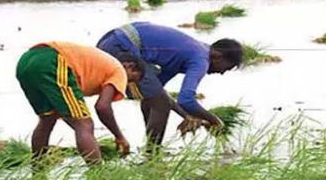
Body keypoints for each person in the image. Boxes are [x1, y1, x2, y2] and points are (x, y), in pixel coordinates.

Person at [96, 22, 243, 146]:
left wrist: (187, 116)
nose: (222, 72)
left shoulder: (192, 51)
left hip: (111, 40)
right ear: (217, 56)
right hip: (120, 48)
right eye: (226, 67)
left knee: (153, 98)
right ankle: (153, 154)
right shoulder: (201, 60)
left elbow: (157, 93)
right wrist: (215, 121)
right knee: (160, 104)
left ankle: (152, 150)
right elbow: (186, 100)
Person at [16, 41, 144, 163]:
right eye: (132, 79)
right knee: (84, 124)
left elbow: (67, 110)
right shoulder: (119, 70)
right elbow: (102, 107)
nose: (127, 84)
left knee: (47, 119)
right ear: (129, 67)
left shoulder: (104, 64)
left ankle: (38, 173)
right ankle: (97, 175)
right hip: (53, 60)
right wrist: (119, 136)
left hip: (26, 61)